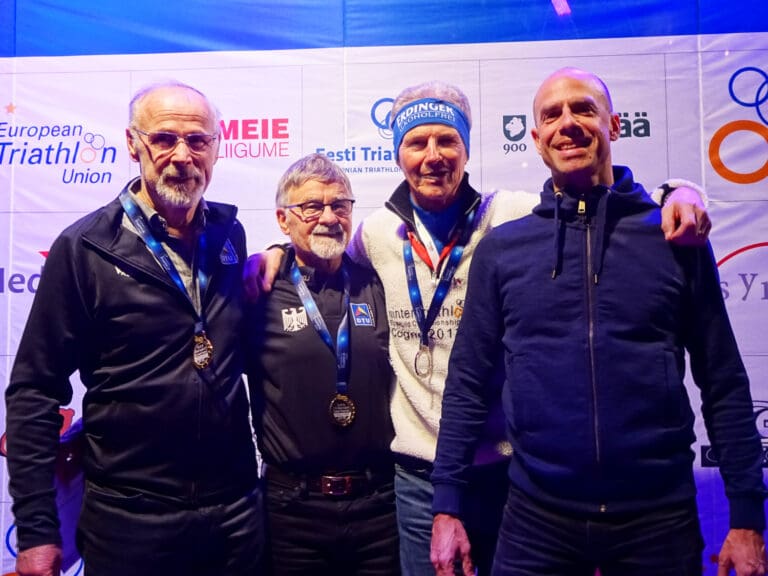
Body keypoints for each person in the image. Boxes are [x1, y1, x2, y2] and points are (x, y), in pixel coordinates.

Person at [248, 80, 711, 576]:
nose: (433, 156)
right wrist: (272, 252)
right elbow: (319, 242)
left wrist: (679, 191)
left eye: (447, 140)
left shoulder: (510, 215)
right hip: (417, 480)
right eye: (416, 142)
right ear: (398, 155)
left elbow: (599, 203)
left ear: (467, 150)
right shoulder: (377, 233)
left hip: (510, 474)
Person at [430, 67, 767, 576]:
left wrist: (746, 517)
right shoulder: (503, 250)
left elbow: (722, 380)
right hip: (535, 519)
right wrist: (446, 505)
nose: (568, 123)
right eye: (552, 114)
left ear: (614, 126)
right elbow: (467, 384)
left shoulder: (676, 238)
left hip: (658, 520)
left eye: (584, 109)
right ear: (537, 138)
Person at [5, 81, 263, 576]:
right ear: (133, 143)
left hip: (235, 513)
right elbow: (34, 391)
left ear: (217, 146)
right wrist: (37, 531)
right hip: (130, 522)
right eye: (164, 139)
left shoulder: (230, 235)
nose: (182, 156)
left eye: (197, 141)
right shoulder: (84, 248)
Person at [246, 153, 399, 575]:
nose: (328, 217)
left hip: (379, 507)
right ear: (283, 219)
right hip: (291, 510)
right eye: (312, 206)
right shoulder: (257, 288)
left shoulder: (377, 281)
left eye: (340, 205)